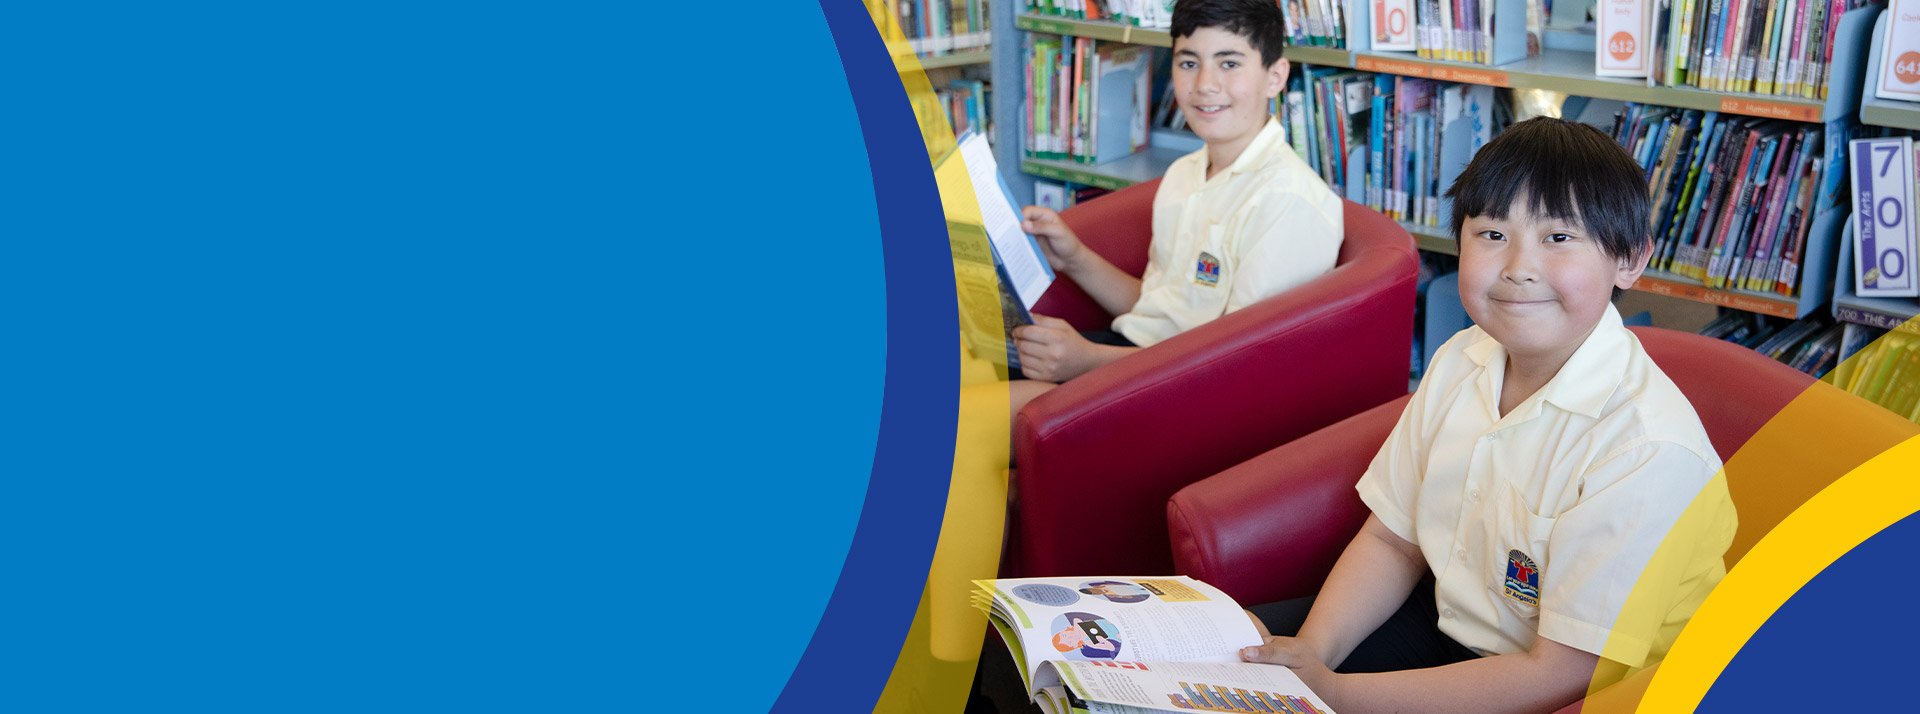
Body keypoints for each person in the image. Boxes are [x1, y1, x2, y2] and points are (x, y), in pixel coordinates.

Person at [1235, 116, 1738, 714]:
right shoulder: (1462, 358)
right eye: (1492, 233)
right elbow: (1393, 541)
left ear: (1628, 260)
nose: (1518, 267)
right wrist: (1312, 657)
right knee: (1229, 662)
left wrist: (1338, 692)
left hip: (1576, 691)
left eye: (1559, 238)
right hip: (1448, 620)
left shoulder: (1647, 450)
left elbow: (1559, 673)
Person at [1005, 0, 1343, 412]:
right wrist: (1073, 258)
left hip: (1180, 399)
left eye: (1229, 63)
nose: (1204, 84)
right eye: (1188, 63)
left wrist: (1086, 362)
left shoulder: (1289, 203)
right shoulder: (1186, 172)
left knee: (967, 419)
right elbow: (1157, 307)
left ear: (1275, 77)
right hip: (1131, 358)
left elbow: (1234, 367)